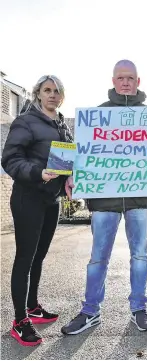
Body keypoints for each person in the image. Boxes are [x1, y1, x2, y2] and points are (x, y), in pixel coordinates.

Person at [61, 59, 147, 335]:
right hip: (104, 201)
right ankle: (90, 311)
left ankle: (139, 310)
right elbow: (82, 154)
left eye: (130, 78)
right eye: (120, 78)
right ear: (113, 81)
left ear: (138, 82)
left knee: (140, 256)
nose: (125, 82)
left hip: (140, 200)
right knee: (97, 258)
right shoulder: (97, 116)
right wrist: (73, 174)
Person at [2, 75, 73, 346]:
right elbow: (10, 159)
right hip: (28, 197)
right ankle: (20, 321)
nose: (53, 95)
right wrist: (38, 173)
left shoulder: (62, 125)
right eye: (47, 90)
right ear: (38, 94)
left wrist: (68, 178)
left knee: (39, 258)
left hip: (51, 200)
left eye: (57, 91)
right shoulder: (25, 121)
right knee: (25, 259)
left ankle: (32, 306)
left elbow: (66, 162)